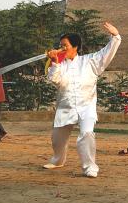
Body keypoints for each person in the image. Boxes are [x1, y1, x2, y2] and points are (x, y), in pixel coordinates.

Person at [43, 22, 121, 178]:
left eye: (65, 45)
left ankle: (90, 167)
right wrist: (55, 62)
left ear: (75, 47)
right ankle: (58, 160)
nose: (62, 48)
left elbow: (106, 53)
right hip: (66, 107)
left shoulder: (90, 61)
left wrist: (115, 37)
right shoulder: (59, 65)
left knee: (86, 133)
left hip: (87, 106)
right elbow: (54, 80)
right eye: (61, 45)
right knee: (57, 140)